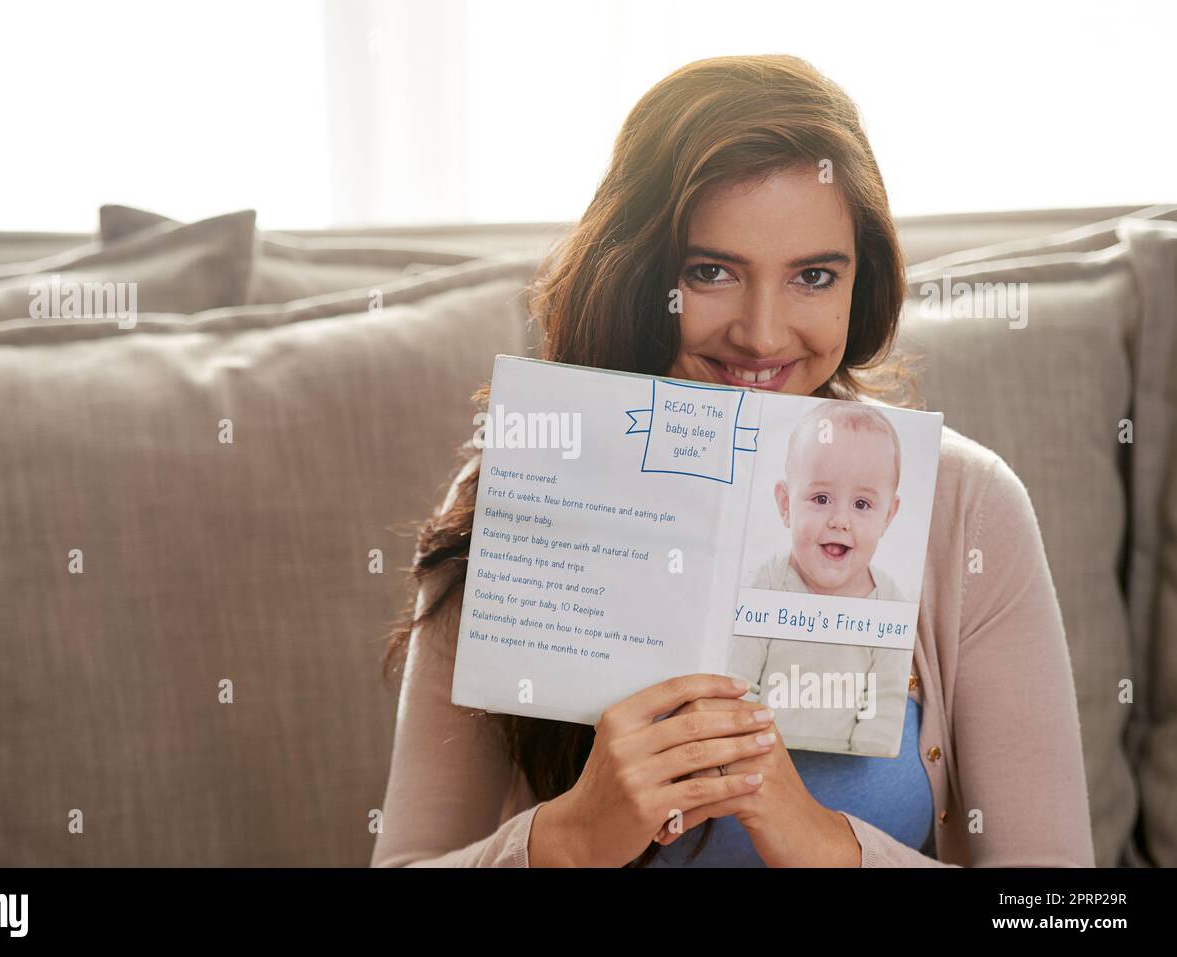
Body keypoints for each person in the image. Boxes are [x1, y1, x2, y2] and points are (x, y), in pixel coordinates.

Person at [371, 54, 1095, 867]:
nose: (761, 334)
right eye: (710, 272)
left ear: (862, 285)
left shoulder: (969, 507)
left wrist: (826, 845)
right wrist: (567, 840)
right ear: (640, 274)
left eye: (813, 276)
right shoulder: (519, 486)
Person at [730, 400, 911, 758]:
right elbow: (739, 681)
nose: (840, 520)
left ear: (888, 516)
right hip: (764, 760)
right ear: (785, 504)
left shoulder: (889, 601)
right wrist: (752, 750)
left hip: (852, 768)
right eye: (821, 498)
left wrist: (866, 755)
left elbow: (887, 697)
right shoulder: (766, 584)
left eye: (862, 505)